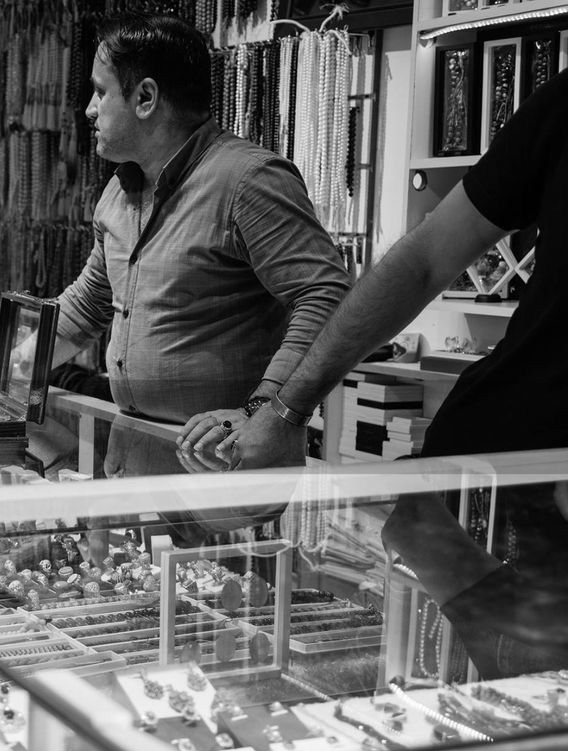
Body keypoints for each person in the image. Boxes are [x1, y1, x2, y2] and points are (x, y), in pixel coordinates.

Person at [229, 69, 568, 675]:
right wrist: (285, 408)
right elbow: (423, 260)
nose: (92, 111)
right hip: (489, 494)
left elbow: (405, 264)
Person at [0, 14, 349, 478]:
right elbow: (89, 303)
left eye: (101, 92)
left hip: (226, 465)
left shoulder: (247, 181)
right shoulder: (121, 189)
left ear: (145, 98)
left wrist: (265, 411)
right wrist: (5, 373)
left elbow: (324, 295)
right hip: (137, 454)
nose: (89, 109)